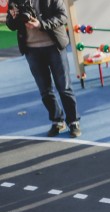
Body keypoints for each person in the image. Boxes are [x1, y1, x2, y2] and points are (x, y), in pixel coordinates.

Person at [6, 0, 82, 138]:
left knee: (64, 87)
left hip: (54, 47)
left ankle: (73, 121)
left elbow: (62, 16)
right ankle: (57, 120)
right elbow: (11, 25)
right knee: (45, 90)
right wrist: (13, 17)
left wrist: (41, 24)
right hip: (31, 50)